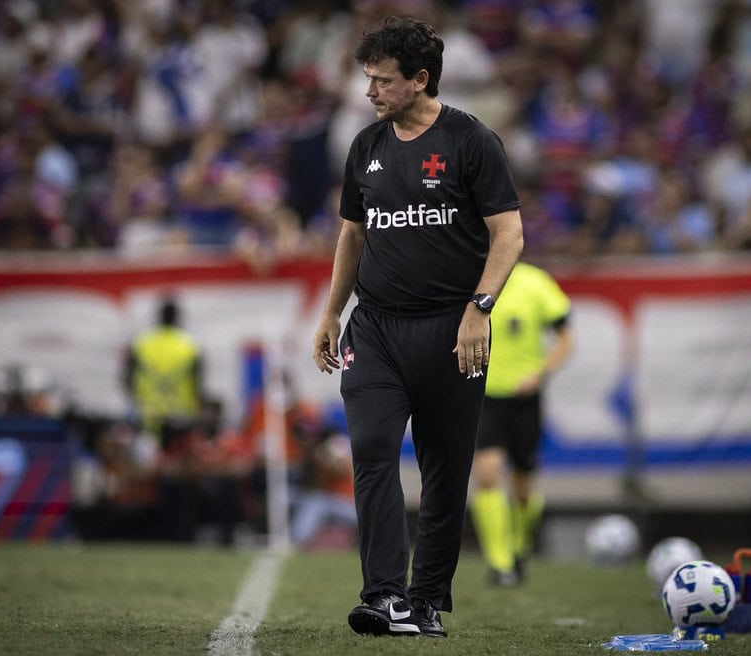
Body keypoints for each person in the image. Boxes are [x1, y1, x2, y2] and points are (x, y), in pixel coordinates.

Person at [311, 15, 524, 639]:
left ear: (420, 79)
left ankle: (426, 602)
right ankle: (384, 596)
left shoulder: (471, 141)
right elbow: (352, 234)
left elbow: (508, 234)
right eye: (367, 80)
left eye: (381, 81)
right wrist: (331, 312)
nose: (369, 92)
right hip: (374, 330)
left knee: (445, 470)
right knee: (372, 453)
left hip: (452, 331)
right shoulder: (365, 147)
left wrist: (477, 311)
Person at [470, 261, 573, 586]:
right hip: (484, 396)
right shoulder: (468, 279)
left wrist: (540, 374)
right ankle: (500, 564)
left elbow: (566, 340)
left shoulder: (536, 283)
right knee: (487, 474)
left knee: (523, 486)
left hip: (524, 400)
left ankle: (519, 547)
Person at [124, 296, 203, 443]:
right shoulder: (190, 345)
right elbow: (198, 383)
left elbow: (128, 379)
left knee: (148, 458)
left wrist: (136, 400)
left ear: (158, 317)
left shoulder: (142, 343)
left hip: (148, 413)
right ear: (177, 318)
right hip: (181, 413)